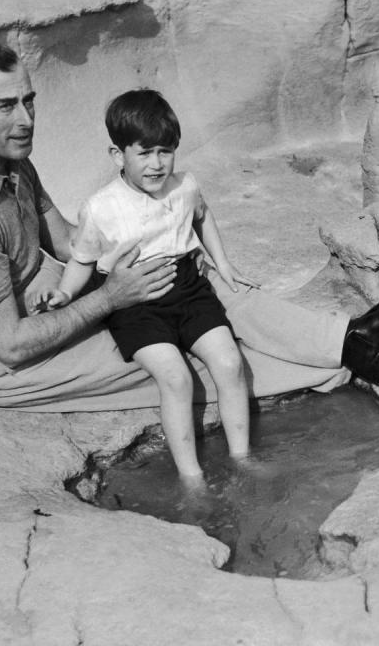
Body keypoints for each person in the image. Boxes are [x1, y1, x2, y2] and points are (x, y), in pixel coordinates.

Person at [0, 41, 379, 421]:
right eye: (6, 105)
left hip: (44, 303)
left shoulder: (9, 158)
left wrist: (150, 249)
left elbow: (65, 239)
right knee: (178, 360)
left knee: (191, 285)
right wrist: (110, 299)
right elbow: (9, 345)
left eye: (29, 100)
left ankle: (352, 340)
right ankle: (341, 366)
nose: (26, 118)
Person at [33, 89, 253, 479]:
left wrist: (223, 263)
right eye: (144, 152)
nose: (156, 164)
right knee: (175, 376)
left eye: (165, 152)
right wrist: (65, 293)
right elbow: (82, 259)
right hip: (134, 303)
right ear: (118, 155)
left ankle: (242, 459)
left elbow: (203, 216)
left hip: (187, 288)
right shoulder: (101, 208)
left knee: (230, 362)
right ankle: (192, 477)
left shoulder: (185, 187)